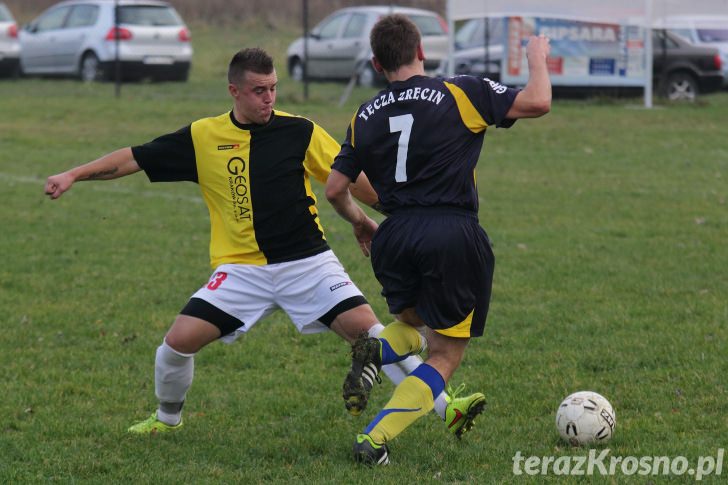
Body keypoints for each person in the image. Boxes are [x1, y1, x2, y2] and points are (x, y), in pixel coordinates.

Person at [44, 47, 484, 437]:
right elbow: (133, 158)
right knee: (175, 343)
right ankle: (167, 418)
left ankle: (447, 408)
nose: (269, 98)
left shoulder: (301, 131)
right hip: (241, 271)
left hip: (309, 264)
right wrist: (73, 174)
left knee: (371, 336)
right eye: (258, 90)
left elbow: (352, 181)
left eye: (273, 88)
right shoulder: (203, 137)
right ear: (234, 91)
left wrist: (404, 214)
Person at [326, 15, 552, 465]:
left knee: (413, 324)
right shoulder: (459, 91)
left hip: (395, 235)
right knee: (445, 353)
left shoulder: (363, 113)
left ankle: (376, 349)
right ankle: (374, 438)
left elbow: (335, 188)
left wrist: (359, 222)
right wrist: (536, 58)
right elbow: (538, 101)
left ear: (375, 62)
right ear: (422, 51)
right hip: (450, 231)